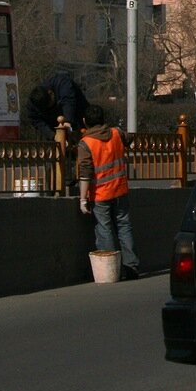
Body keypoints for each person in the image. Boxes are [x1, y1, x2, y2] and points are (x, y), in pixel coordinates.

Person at [76, 104, 140, 280]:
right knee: (124, 227)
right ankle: (131, 266)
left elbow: (85, 173)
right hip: (120, 189)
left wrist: (82, 199)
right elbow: (129, 138)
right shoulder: (116, 133)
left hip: (100, 194)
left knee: (105, 230)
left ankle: (112, 269)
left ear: (85, 122)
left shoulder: (86, 143)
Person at [25, 71, 89, 141]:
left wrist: (68, 121)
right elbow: (37, 121)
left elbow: (68, 101)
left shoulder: (62, 82)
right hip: (53, 126)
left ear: (50, 92)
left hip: (79, 115)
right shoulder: (32, 104)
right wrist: (52, 135)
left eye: (50, 104)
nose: (50, 108)